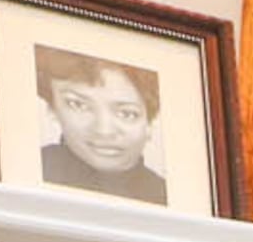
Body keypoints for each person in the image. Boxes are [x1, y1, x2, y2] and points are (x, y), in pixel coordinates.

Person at [33, 47, 165, 206]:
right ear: (53, 108)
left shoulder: (163, 195)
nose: (103, 131)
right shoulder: (31, 168)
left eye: (126, 113)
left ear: (149, 123)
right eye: (78, 105)